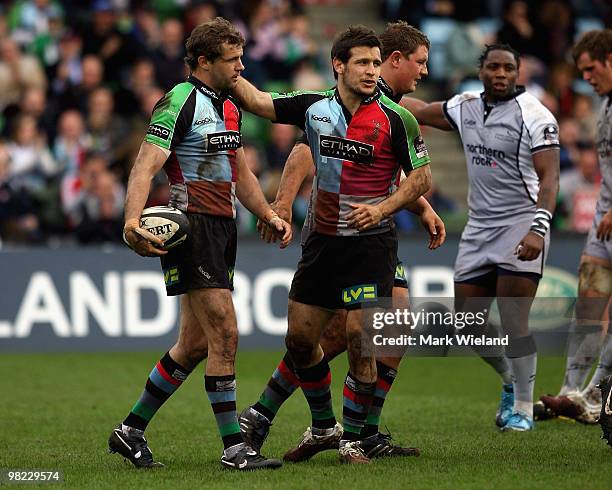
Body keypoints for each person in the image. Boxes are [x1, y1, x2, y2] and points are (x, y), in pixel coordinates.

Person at [238, 21, 444, 462]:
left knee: (377, 330)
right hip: (326, 235)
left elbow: (408, 173)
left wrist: (416, 208)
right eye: (420, 63)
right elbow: (302, 150)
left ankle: (356, 434)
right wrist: (280, 205)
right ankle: (290, 418)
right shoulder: (323, 107)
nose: (424, 71)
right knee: (319, 337)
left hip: (372, 236)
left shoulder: (395, 111)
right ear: (397, 61)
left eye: (373, 62)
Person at [107, 17, 290, 471]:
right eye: (232, 60)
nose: (241, 66)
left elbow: (240, 173)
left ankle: (129, 431)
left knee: (192, 343)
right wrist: (132, 221)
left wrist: (267, 212)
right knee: (225, 333)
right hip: (191, 229)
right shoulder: (178, 101)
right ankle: (234, 448)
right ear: (204, 61)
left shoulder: (229, 105)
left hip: (223, 229)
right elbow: (144, 167)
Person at [403, 43, 560, 431]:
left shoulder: (536, 116)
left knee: (513, 320)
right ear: (482, 70)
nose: (501, 74)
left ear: (518, 72)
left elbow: (550, 178)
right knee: (468, 323)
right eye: (494, 67)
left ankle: (523, 409)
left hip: (521, 224)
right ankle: (510, 381)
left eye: (509, 67)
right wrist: (375, 90)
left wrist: (538, 229)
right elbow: (420, 111)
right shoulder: (465, 106)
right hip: (478, 228)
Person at [536, 29, 612, 425]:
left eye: (591, 69)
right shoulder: (604, 108)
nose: (587, 78)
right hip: (603, 225)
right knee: (588, 306)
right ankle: (570, 392)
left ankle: (595, 395)